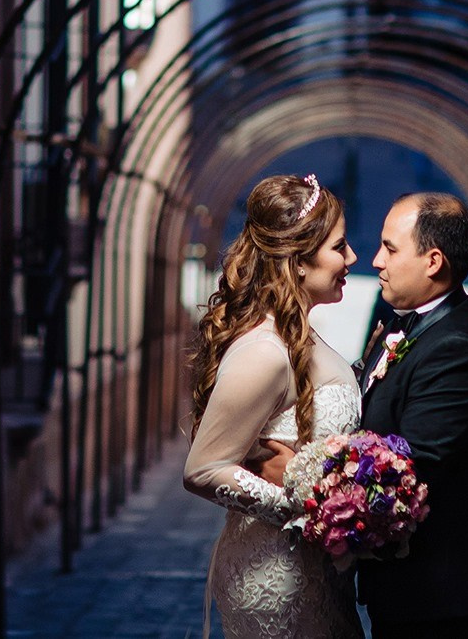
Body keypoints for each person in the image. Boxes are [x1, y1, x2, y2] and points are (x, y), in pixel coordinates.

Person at [182, 174, 363, 639]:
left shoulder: (302, 333)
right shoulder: (265, 351)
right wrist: (308, 510)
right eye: (339, 247)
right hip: (274, 576)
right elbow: (203, 468)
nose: (352, 259)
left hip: (317, 570)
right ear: (299, 261)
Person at [356, 193, 468, 639]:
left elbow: (412, 466)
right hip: (410, 589)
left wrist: (313, 482)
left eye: (390, 248)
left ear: (433, 261)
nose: (376, 260)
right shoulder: (405, 325)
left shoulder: (455, 347)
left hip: (439, 591)